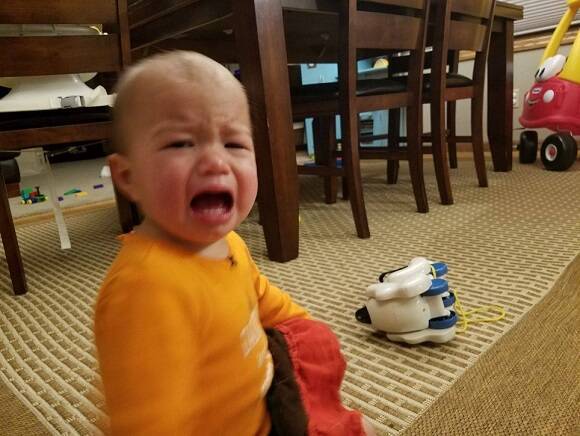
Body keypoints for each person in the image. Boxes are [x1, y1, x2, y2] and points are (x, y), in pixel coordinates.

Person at [94, 51, 374, 435]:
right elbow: (150, 424)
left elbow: (261, 297)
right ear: (128, 177)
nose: (216, 162)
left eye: (234, 144)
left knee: (311, 338)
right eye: (180, 143)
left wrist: (302, 323)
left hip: (263, 397)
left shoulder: (229, 242)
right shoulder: (144, 289)